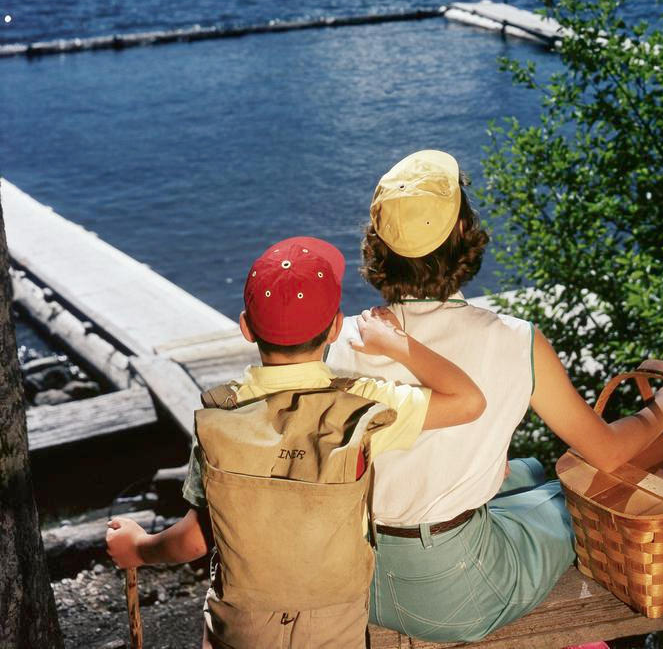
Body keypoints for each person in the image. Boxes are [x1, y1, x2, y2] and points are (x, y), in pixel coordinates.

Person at [328, 150, 663, 644]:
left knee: (530, 471)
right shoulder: (515, 340)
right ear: (464, 233)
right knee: (578, 497)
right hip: (457, 592)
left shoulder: (345, 340)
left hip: (360, 580)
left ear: (379, 246)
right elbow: (605, 452)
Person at [106, 234, 485, 649]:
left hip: (244, 625)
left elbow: (196, 540)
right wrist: (396, 344)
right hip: (334, 622)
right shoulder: (362, 406)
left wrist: (138, 549)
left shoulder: (221, 417)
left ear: (246, 328)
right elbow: (468, 401)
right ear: (336, 327)